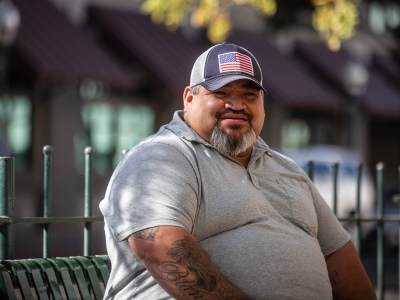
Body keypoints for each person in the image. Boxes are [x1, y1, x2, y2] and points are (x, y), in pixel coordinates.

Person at [99, 43, 376, 299]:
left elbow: (337, 253)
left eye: (249, 94)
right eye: (221, 93)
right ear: (189, 98)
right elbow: (161, 247)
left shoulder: (286, 169)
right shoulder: (162, 156)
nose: (237, 104)